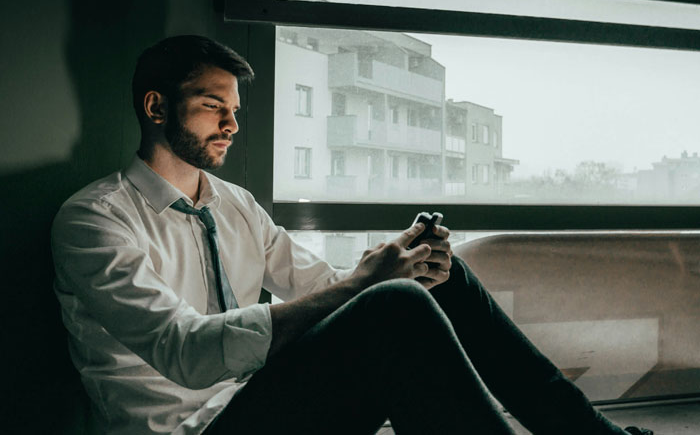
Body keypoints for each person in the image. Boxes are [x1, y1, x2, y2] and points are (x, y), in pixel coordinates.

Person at [52, 35, 652, 435]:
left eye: (235, 108)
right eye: (213, 106)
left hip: (260, 402)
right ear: (156, 108)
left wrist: (396, 263)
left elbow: (329, 287)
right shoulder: (94, 221)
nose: (233, 123)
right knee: (393, 302)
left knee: (432, 277)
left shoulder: (235, 205)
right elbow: (186, 352)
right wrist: (373, 284)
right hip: (194, 429)